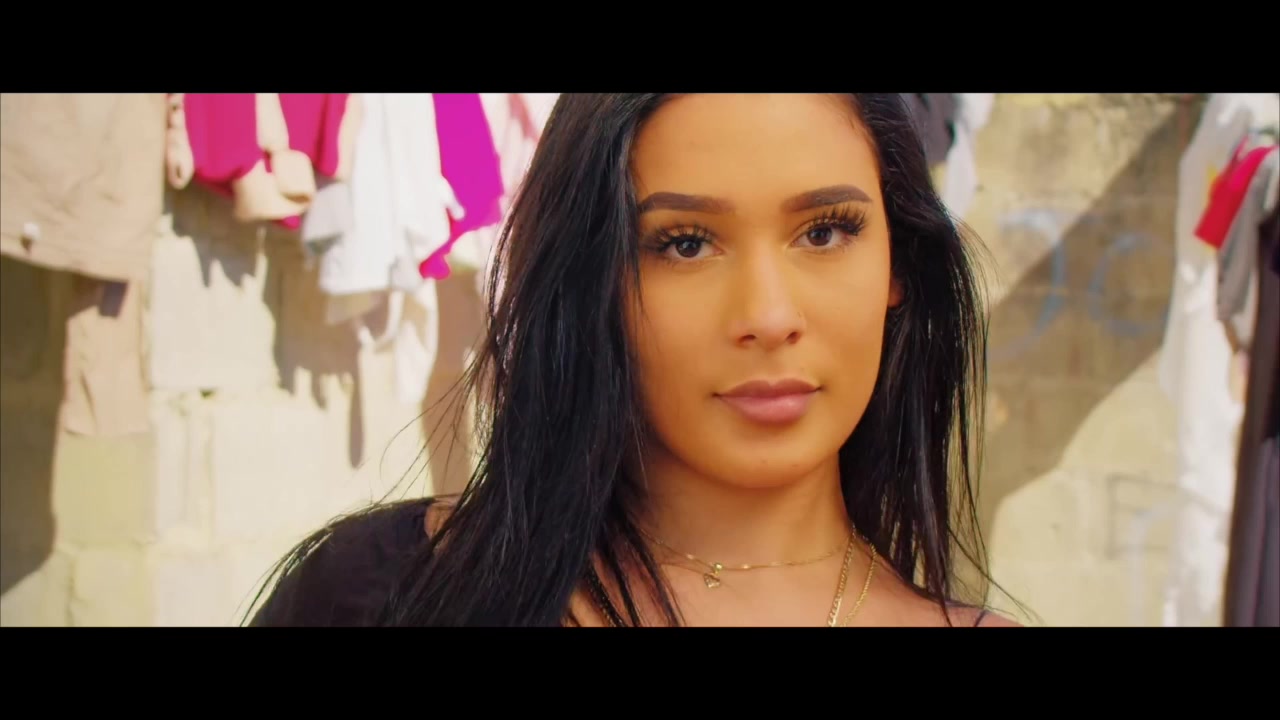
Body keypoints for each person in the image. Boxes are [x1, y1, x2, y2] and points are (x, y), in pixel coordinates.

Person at [247, 93, 1021, 627]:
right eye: (685, 244)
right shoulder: (389, 594)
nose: (768, 317)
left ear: (897, 265)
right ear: (594, 279)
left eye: (824, 232)